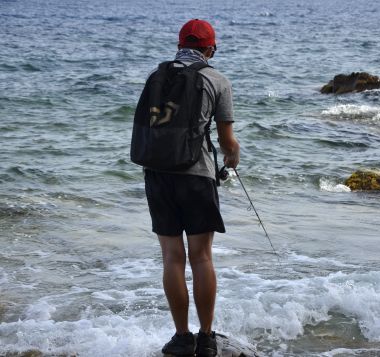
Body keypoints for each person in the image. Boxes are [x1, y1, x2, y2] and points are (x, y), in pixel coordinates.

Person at [142, 19, 240, 356]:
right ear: (210, 48)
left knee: (171, 257)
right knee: (200, 257)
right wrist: (233, 158)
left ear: (180, 45)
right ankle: (207, 337)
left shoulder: (157, 76)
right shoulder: (217, 79)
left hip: (157, 174)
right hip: (196, 175)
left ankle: (181, 337)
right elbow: (227, 142)